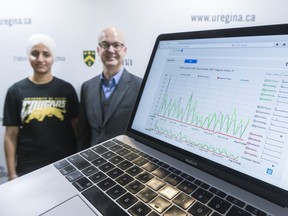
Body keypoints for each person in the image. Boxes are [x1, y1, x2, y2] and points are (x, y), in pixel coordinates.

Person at [3, 34, 79, 180]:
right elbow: (10, 136)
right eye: (34, 54)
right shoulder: (16, 91)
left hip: (65, 166)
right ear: (28, 56)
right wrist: (12, 174)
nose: (40, 59)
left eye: (46, 54)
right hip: (28, 169)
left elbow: (78, 130)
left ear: (53, 57)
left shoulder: (66, 89)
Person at [78, 27, 142, 150]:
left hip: (126, 162)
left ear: (124, 50)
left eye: (116, 45)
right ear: (98, 50)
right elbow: (83, 134)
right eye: (105, 45)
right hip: (93, 161)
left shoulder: (140, 86)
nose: (110, 50)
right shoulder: (87, 87)